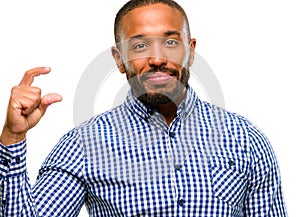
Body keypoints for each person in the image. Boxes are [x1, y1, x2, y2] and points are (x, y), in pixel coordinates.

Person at [0, 0, 287, 216]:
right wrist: (13, 138)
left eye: (171, 42)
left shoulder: (246, 139)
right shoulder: (82, 145)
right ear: (119, 59)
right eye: (139, 46)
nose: (158, 58)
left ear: (191, 50)